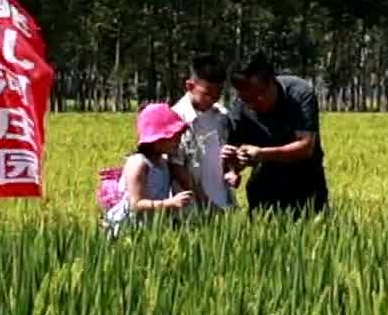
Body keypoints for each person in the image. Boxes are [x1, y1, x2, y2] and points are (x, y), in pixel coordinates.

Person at [220, 50, 328, 215]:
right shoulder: (240, 108)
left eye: (258, 96)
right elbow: (234, 156)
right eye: (246, 99)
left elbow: (306, 146)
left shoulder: (299, 94)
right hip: (265, 188)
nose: (253, 103)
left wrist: (262, 154)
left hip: (306, 184)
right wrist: (233, 167)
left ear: (272, 81)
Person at [102, 102, 198, 236]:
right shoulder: (139, 163)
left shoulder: (163, 163)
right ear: (157, 139)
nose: (178, 141)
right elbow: (136, 204)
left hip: (151, 225)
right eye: (174, 137)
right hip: (129, 227)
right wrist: (170, 203)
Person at [173, 53, 239, 213]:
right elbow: (177, 167)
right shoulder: (176, 119)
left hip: (224, 202)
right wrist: (205, 202)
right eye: (207, 94)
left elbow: (224, 155)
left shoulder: (222, 115)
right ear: (189, 86)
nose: (213, 100)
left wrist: (232, 171)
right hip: (193, 208)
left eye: (218, 94)